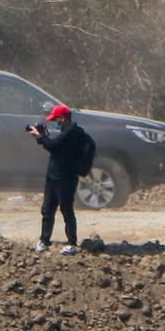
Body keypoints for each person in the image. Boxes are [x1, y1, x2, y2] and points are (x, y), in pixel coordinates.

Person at [28, 103, 96, 254]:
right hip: (53, 176)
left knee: (66, 210)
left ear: (63, 118)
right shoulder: (66, 131)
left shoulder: (72, 133)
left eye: (56, 120)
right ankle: (44, 240)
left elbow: (53, 145)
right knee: (47, 209)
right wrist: (42, 136)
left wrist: (39, 136)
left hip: (66, 179)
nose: (55, 123)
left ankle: (72, 243)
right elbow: (55, 146)